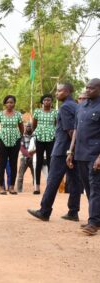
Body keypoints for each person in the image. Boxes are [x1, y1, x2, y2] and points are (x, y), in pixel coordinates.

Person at [28, 83, 83, 222]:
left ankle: (44, 211)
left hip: (63, 150)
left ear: (67, 91)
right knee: (75, 180)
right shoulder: (76, 105)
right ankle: (73, 211)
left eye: (59, 91)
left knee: (53, 180)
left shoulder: (64, 107)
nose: (56, 94)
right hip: (73, 150)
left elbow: (71, 130)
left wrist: (70, 149)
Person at [67, 78, 100, 236]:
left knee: (95, 188)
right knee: (88, 189)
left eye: (91, 88)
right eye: (86, 88)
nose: (87, 90)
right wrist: (70, 151)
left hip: (95, 155)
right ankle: (95, 219)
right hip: (80, 154)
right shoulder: (81, 107)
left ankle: (93, 222)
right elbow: (76, 131)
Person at [0, 95, 24, 195]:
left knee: (13, 164)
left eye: (12, 102)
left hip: (15, 140)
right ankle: (1, 186)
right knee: (2, 163)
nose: (10, 104)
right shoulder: (0, 114)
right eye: (8, 102)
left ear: (14, 103)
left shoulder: (18, 115)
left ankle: (11, 186)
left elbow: (21, 127)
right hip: (2, 140)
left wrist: (19, 138)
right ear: (5, 104)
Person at [32, 94, 58, 194]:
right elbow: (34, 124)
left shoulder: (55, 112)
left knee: (51, 161)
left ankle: (50, 186)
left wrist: (52, 132)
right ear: (42, 102)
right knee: (38, 161)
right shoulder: (37, 111)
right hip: (40, 138)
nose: (47, 102)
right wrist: (38, 133)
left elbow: (56, 124)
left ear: (52, 102)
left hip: (51, 138)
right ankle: (37, 187)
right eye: (45, 100)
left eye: (49, 100)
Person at [16, 123, 35, 193]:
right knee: (20, 176)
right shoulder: (22, 136)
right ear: (25, 127)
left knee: (35, 175)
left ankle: (36, 189)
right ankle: (19, 190)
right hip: (24, 158)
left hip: (33, 158)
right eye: (27, 126)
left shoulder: (35, 136)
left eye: (30, 126)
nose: (29, 128)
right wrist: (28, 155)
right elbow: (21, 148)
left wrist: (31, 156)